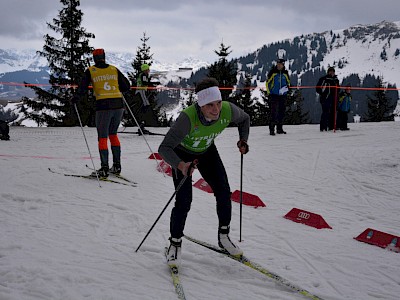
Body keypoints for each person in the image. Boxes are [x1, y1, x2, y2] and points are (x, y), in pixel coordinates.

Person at [158, 77, 250, 267]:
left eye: (218, 103)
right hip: (182, 154)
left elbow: (245, 119)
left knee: (224, 191)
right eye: (209, 105)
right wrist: (181, 165)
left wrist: (243, 140)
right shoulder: (187, 118)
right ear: (200, 105)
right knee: (184, 201)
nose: (215, 109)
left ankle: (224, 237)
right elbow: (164, 148)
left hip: (207, 151)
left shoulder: (228, 110)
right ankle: (174, 244)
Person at [71, 48, 131, 178]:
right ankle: (116, 166)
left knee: (102, 137)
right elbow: (126, 86)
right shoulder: (114, 69)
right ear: (104, 57)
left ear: (94, 59)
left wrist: (75, 98)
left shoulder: (91, 71)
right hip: (118, 105)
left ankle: (104, 169)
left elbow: (82, 88)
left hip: (103, 107)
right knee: (113, 134)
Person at [266, 58, 290, 135]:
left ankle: (279, 129)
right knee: (273, 112)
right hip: (274, 95)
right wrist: (269, 92)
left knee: (281, 112)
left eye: (280, 64)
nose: (279, 66)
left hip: (283, 96)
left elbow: (288, 83)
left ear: (283, 65)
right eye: (278, 64)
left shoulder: (285, 73)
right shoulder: (273, 72)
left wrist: (286, 90)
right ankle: (272, 129)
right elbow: (268, 83)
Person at [316, 67, 340, 131]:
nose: (332, 73)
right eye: (330, 71)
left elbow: (338, 89)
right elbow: (318, 88)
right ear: (328, 72)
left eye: (333, 72)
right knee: (325, 112)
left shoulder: (336, 80)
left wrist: (337, 96)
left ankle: (332, 126)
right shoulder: (324, 79)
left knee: (333, 112)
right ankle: (323, 127)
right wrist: (323, 94)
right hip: (326, 98)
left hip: (334, 98)